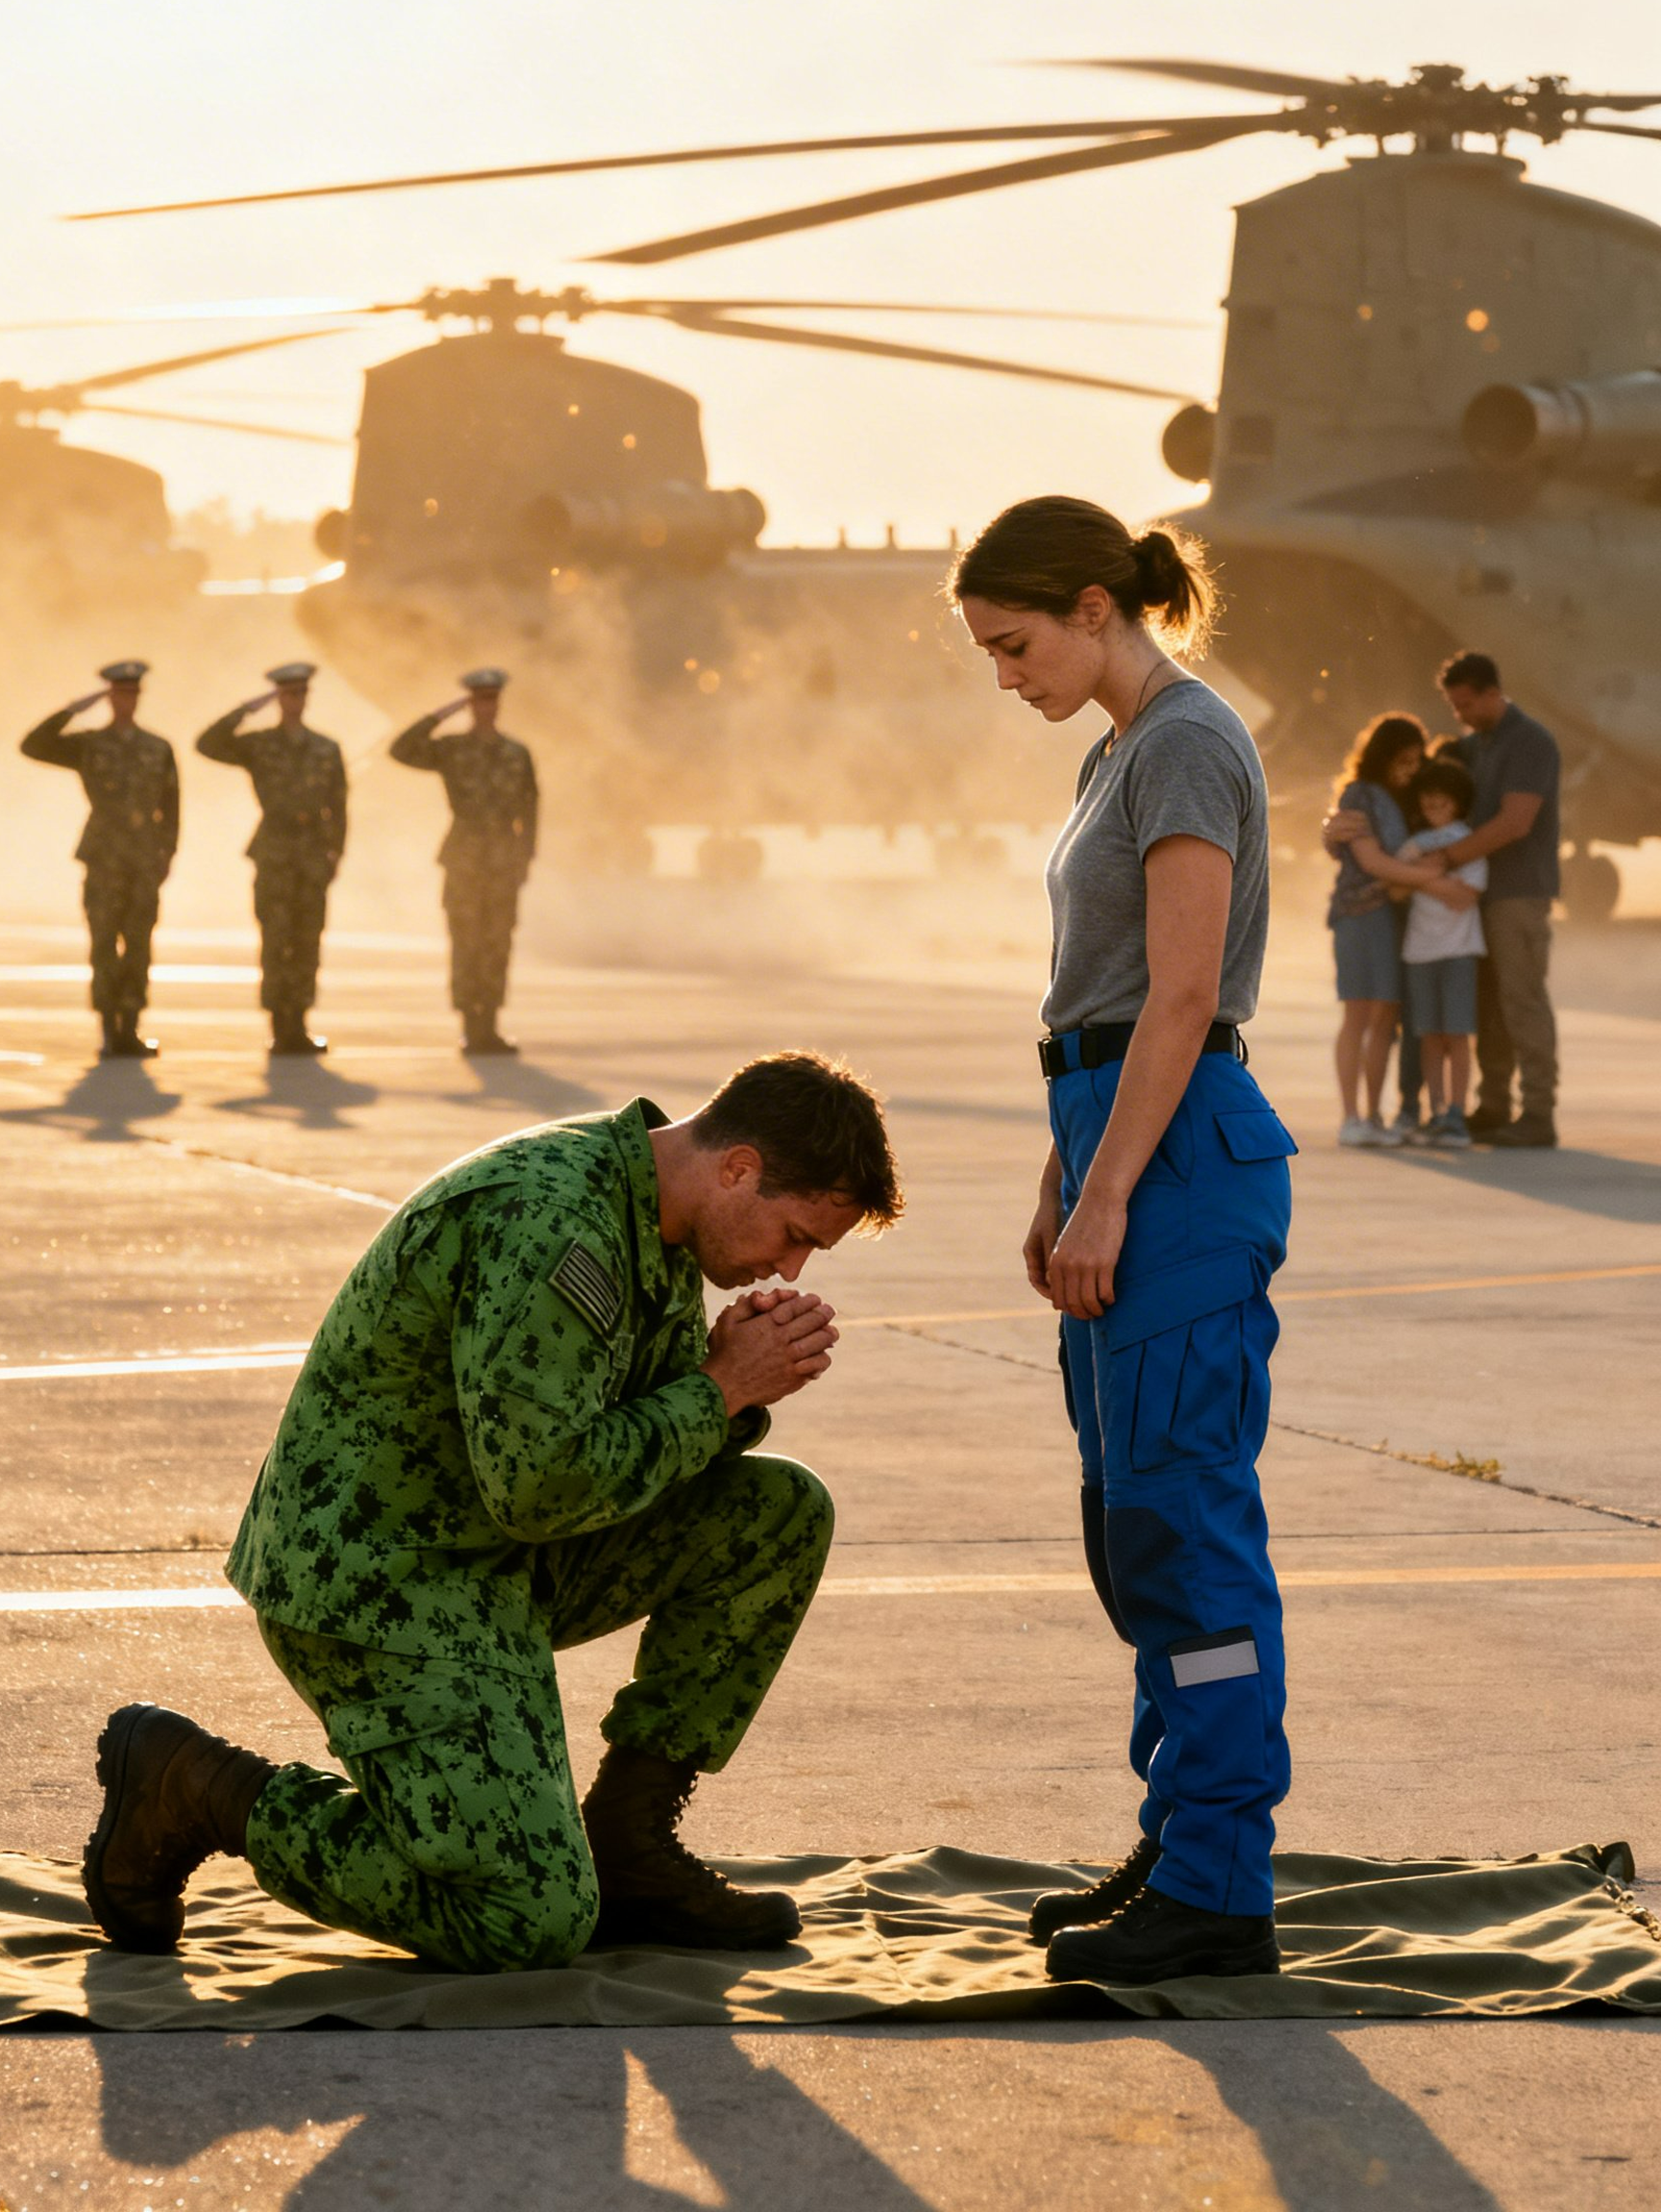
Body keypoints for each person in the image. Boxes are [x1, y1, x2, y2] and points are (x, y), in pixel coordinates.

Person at [83, 1053, 904, 1971]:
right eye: (795, 1234)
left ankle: (630, 1845)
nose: (787, 1265)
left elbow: (605, 1446)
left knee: (777, 1512)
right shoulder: (555, 1221)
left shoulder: (655, 1217)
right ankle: (197, 1787)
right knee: (526, 1917)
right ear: (739, 1167)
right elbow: (541, 1487)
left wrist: (724, 1388)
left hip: (492, 1555)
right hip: (381, 1581)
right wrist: (716, 1392)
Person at [953, 495, 1298, 1986]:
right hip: (1115, 1136)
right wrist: (1059, 1173)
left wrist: (1104, 1197)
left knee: (1185, 1523)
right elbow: (1096, 1007)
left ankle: (1222, 1884)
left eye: (1014, 643)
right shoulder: (1119, 748)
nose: (1005, 675)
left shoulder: (1185, 741)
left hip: (1176, 1168)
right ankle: (1179, 1833)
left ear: (1095, 605)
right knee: (1132, 1524)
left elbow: (1179, 995)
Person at [1435, 654, 1562, 1147]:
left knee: (1522, 1001)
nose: (1460, 714)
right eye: (1454, 706)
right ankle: (1493, 1105)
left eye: (1466, 704)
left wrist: (1445, 859)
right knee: (1487, 1005)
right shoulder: (1474, 746)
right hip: (1480, 898)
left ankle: (1538, 1111)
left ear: (1492, 693)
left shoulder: (1531, 742)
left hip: (1519, 895)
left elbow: (1516, 822)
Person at [20, 661, 178, 1059]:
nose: (127, 700)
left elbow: (172, 807)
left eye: (132, 693)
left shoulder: (157, 748)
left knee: (139, 944)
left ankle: (131, 1026)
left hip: (143, 859)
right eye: (119, 692)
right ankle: (110, 1028)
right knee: (104, 943)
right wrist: (75, 708)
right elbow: (33, 745)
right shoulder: (90, 744)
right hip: (104, 856)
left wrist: (167, 853)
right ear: (111, 697)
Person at [196, 662, 347, 1056]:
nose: (294, 701)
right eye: (287, 694)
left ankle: (299, 1022)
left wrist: (335, 852)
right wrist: (248, 708)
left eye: (300, 693)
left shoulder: (325, 748)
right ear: (278, 698)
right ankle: (280, 1026)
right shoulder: (260, 744)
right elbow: (208, 743)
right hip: (276, 852)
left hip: (312, 853)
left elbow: (339, 806)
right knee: (276, 939)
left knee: (307, 941)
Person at [390, 669, 538, 1056]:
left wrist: (524, 859)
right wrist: (443, 713)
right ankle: (471, 1026)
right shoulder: (453, 748)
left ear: (498, 704)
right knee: (466, 944)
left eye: (491, 700)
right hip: (464, 858)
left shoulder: (516, 753)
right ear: (470, 704)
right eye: (478, 700)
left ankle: (489, 1025)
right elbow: (402, 749)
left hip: (503, 859)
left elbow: (531, 809)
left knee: (497, 943)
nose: (485, 708)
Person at [1324, 714, 1446, 1148]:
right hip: (1360, 914)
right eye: (1404, 760)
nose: (1410, 769)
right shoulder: (1360, 795)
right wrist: (1435, 881)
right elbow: (1372, 861)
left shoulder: (1406, 798)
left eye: (1416, 761)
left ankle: (1374, 1114)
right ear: (1384, 756)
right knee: (1358, 1014)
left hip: (1395, 917)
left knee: (1386, 1016)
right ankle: (1351, 1116)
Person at [1396, 755, 1487, 1149]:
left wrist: (1420, 876)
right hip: (1420, 951)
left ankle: (1456, 1114)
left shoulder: (1468, 843)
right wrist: (1435, 874)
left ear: (1458, 804)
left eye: (1443, 804)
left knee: (1458, 1036)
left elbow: (1465, 896)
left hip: (1458, 951)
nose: (1435, 811)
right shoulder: (1414, 844)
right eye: (1429, 804)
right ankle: (1435, 1111)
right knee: (1430, 1036)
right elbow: (1395, 888)